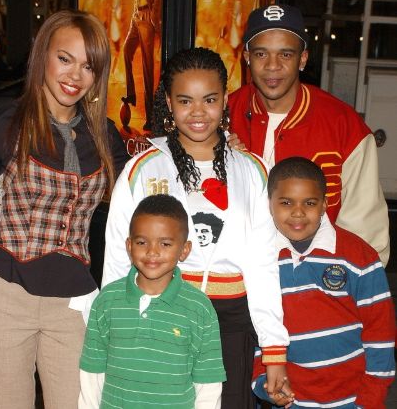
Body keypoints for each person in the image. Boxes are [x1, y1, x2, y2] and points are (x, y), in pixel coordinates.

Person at [0, 9, 127, 409]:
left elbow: (147, 185)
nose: (75, 75)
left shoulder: (103, 135)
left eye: (88, 66)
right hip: (4, 297)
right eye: (65, 58)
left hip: (75, 305)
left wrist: (215, 147)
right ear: (43, 53)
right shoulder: (4, 126)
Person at [102, 47, 291, 409]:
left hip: (231, 322)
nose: (198, 112)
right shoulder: (142, 169)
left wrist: (274, 349)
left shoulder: (252, 170)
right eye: (185, 101)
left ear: (225, 101)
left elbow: (263, 263)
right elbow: (117, 258)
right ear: (169, 104)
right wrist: (116, 331)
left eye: (210, 99)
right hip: (159, 313)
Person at [227, 4, 390, 265]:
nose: (272, 66)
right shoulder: (220, 115)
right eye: (261, 54)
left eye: (286, 54)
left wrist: (361, 279)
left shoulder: (343, 124)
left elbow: (365, 226)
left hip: (318, 274)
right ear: (246, 57)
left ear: (302, 59)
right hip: (236, 272)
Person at [252, 157, 395, 408]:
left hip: (354, 400)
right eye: (286, 202)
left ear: (324, 205)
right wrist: (264, 382)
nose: (298, 212)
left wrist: (370, 400)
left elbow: (380, 334)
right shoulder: (260, 260)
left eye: (309, 203)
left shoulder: (359, 256)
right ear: (269, 204)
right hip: (292, 400)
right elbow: (256, 329)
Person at [79, 194, 226, 408]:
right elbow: (92, 375)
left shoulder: (199, 308)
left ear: (184, 250)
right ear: (129, 246)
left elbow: (208, 384)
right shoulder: (107, 301)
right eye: (142, 242)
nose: (152, 252)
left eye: (165, 244)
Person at [121, 0, 161, 130]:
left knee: (147, 69)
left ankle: (150, 117)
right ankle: (131, 94)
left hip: (146, 15)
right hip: (136, 15)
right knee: (126, 50)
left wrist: (154, 15)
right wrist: (134, 12)